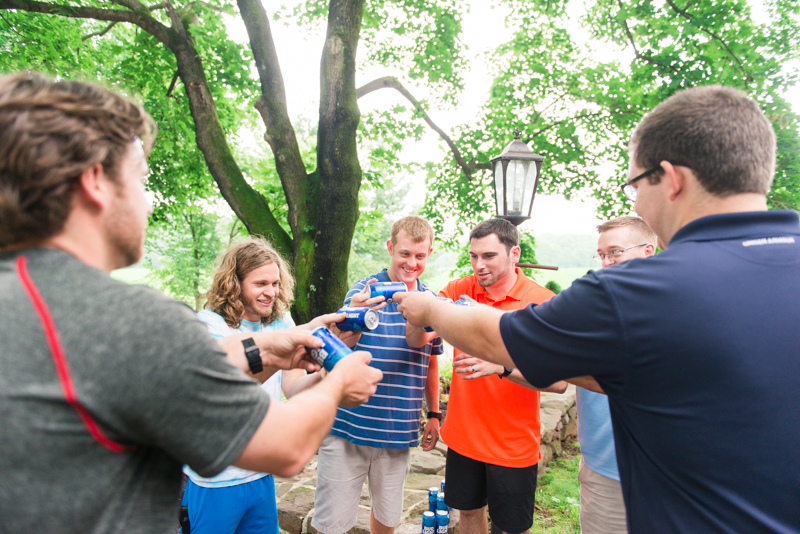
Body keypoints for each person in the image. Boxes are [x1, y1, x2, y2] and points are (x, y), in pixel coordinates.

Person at [395, 85, 800, 533]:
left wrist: (428, 306)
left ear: (671, 178)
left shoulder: (636, 291)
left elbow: (503, 339)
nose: (636, 203)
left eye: (635, 184)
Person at [0, 73, 383, 533]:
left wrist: (268, 349)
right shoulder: (131, 321)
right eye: (140, 181)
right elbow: (286, 448)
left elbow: (150, 374)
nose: (145, 204)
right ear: (95, 181)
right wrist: (338, 382)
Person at [408, 218, 566, 534]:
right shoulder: (458, 290)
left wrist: (502, 367)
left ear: (515, 253)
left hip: (512, 445)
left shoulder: (541, 303)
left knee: (511, 528)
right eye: (474, 256)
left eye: (489, 256)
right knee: (467, 515)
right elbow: (416, 340)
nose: (479, 265)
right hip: (463, 438)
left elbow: (559, 383)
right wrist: (418, 309)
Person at [182, 237, 333, 534]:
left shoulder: (280, 322)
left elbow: (293, 388)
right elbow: (227, 390)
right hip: (216, 477)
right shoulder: (208, 326)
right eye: (261, 283)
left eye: (275, 283)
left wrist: (329, 374)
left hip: (261, 472)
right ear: (234, 283)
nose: (271, 292)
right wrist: (280, 357)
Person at [312, 215, 443, 534]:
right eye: (405, 253)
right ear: (390, 248)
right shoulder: (365, 290)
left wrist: (435, 414)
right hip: (347, 430)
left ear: (428, 254)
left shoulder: (432, 303)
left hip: (397, 434)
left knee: (386, 522)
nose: (412, 263)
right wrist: (357, 318)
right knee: (332, 526)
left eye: (420, 256)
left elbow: (431, 360)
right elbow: (338, 346)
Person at [578, 216, 656, 534]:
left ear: (648, 250)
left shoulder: (677, 303)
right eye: (602, 254)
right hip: (606, 470)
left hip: (666, 470)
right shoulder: (589, 307)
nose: (606, 262)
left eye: (615, 252)